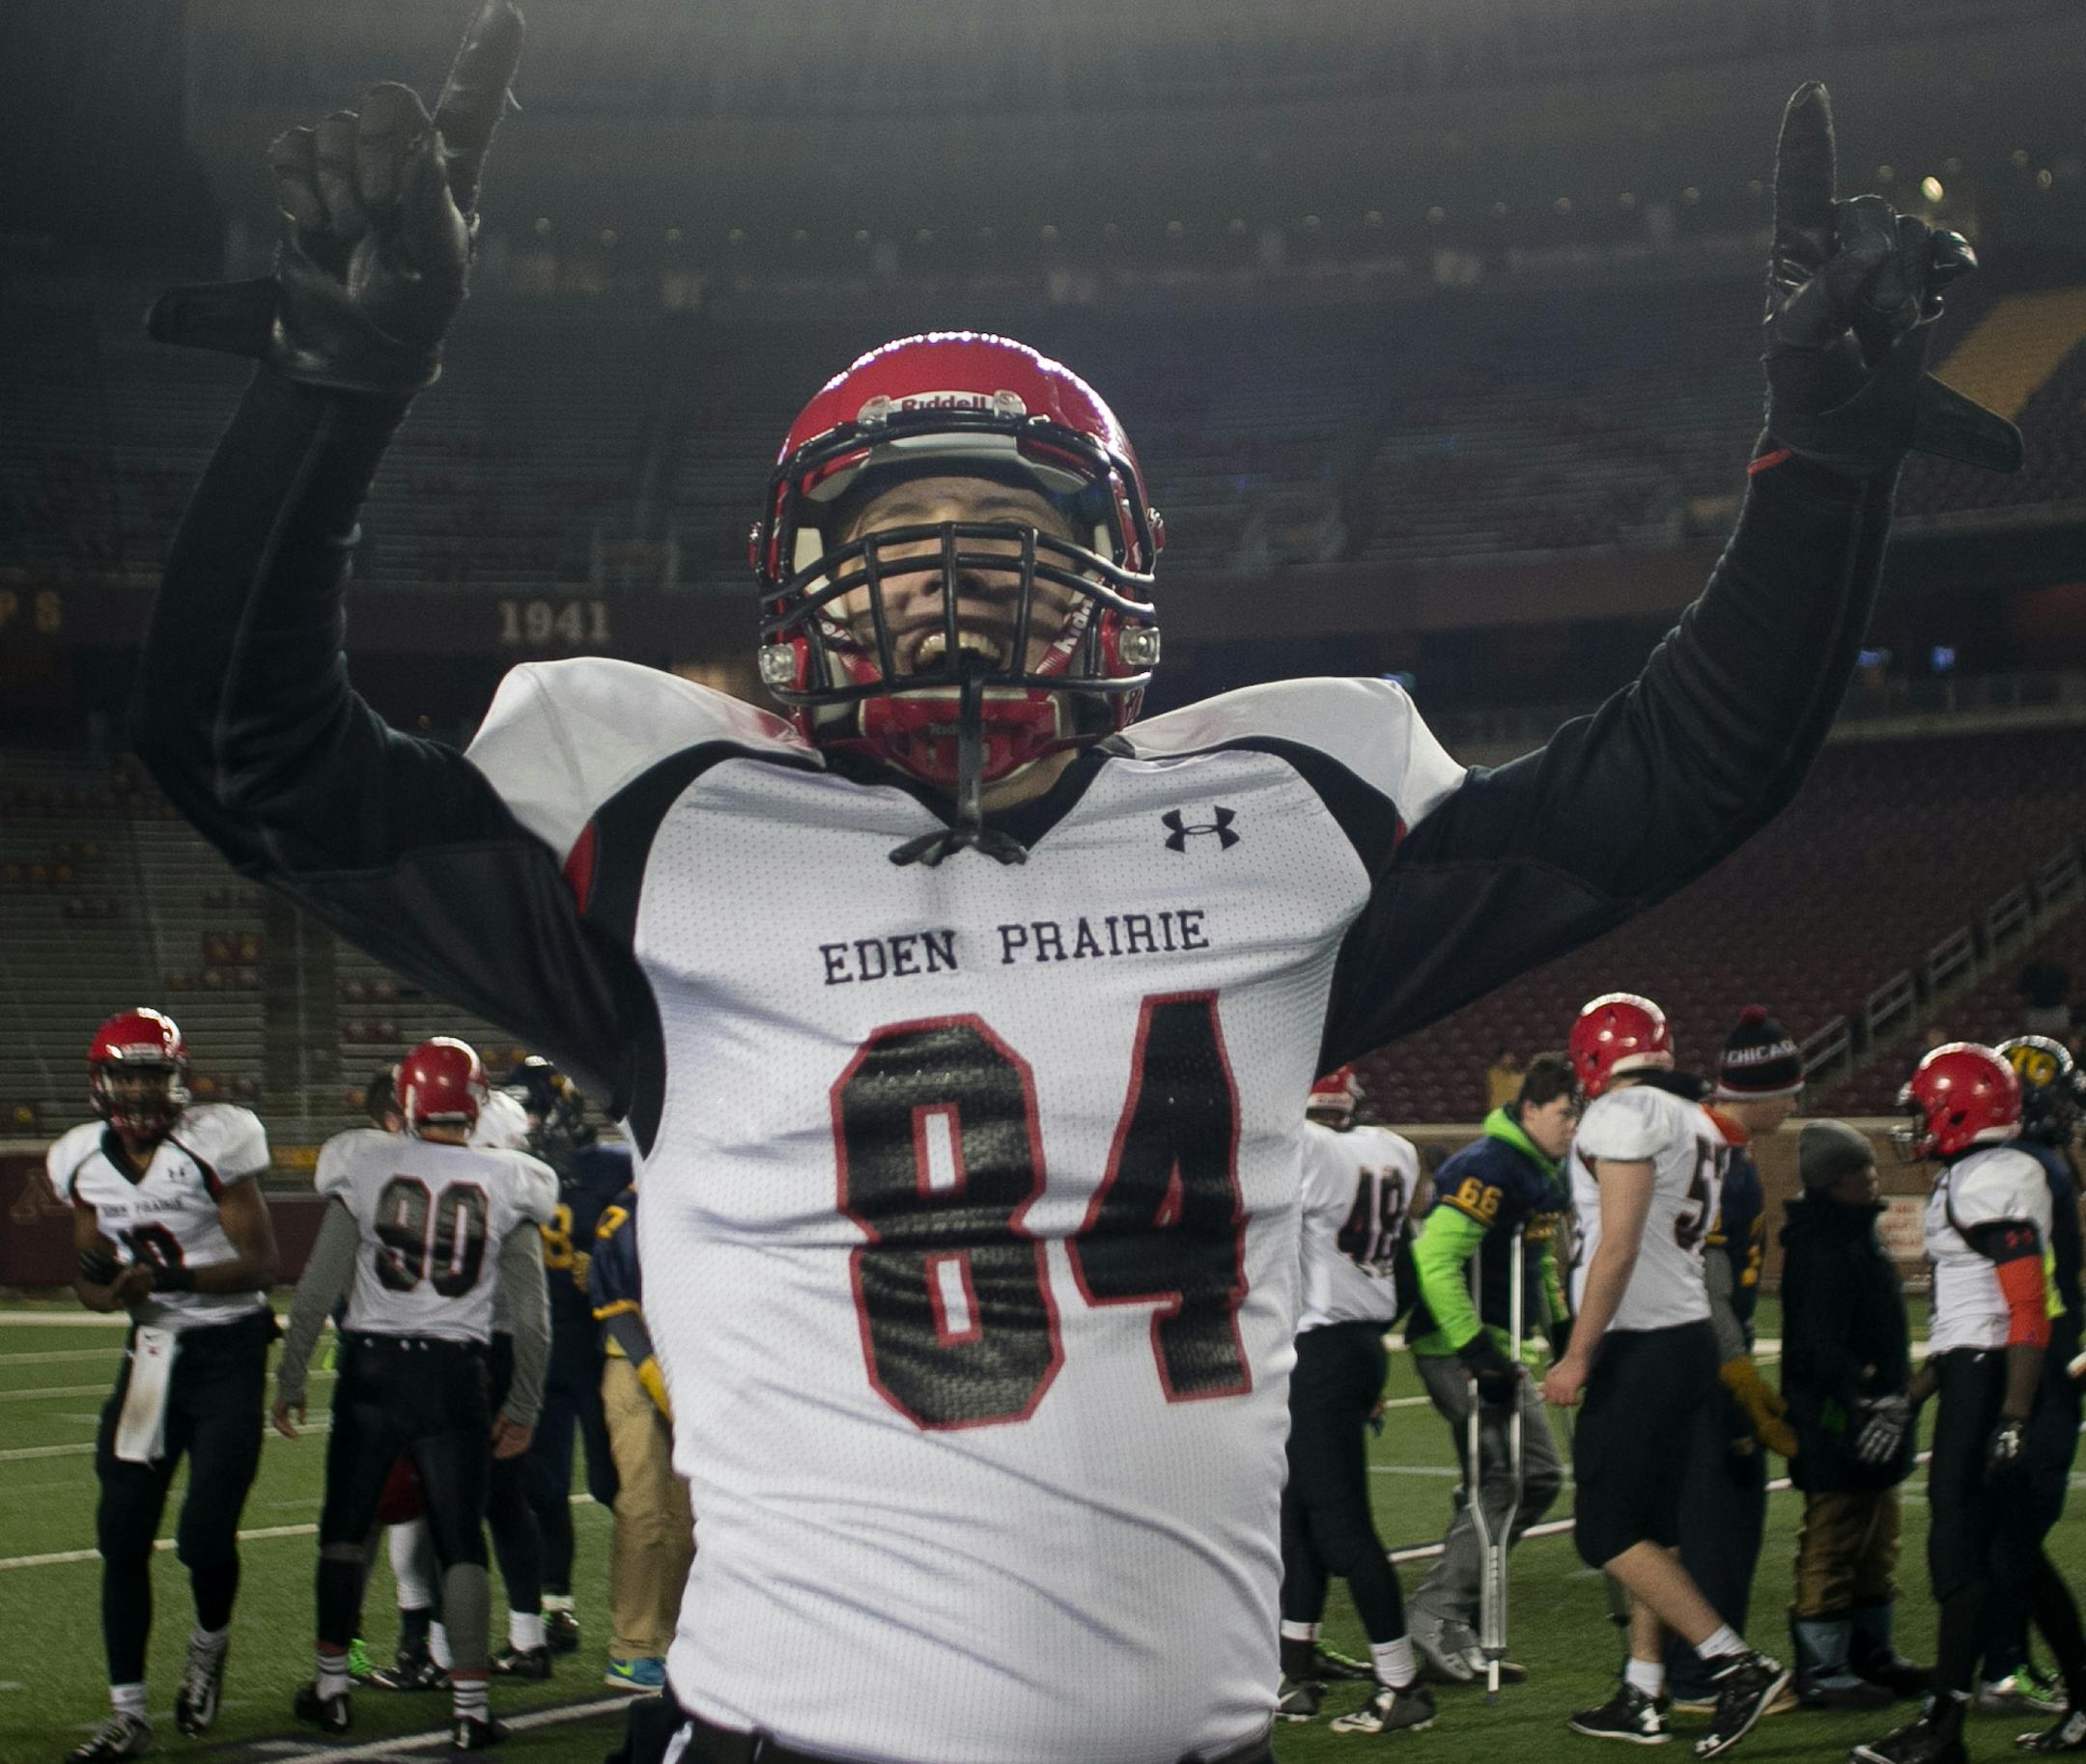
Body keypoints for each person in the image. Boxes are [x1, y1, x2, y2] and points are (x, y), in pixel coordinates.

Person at [132, 7, 2020, 1750]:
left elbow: (1674, 779)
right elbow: (246, 754)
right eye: (897, 535)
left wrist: (1823, 464)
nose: (951, 573)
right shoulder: (682, 855)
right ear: (799, 587)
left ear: (1114, 576)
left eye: (1008, 533)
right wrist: (333, 382)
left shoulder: (1278, 836)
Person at [272, 1037, 555, 1751]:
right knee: (462, 1542)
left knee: (344, 1532)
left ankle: (332, 1689)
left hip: (372, 1371)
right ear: (475, 1103)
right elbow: (531, 1319)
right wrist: (522, 1405)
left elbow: (313, 1290)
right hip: (454, 1375)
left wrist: (291, 1375)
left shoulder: (364, 1164)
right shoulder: (510, 1178)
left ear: (406, 1100)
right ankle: (469, 1709)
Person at [1543, 994, 1790, 1756]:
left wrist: (1578, 1353)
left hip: (1641, 1341)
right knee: (1653, 1525)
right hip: (1685, 1336)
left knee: (1606, 1532)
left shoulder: (1623, 1115)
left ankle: (1734, 1661)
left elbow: (1615, 1245)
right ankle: (1643, 1689)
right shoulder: (1696, 1116)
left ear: (1591, 1056)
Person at [47, 1008, 281, 1764]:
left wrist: (166, 1276)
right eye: (130, 1074)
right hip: (150, 1351)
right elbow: (88, 1278)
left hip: (229, 1348)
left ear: (177, 1079)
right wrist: (109, 1291)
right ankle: (128, 1712)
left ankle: (208, 1644)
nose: (142, 1090)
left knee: (205, 1534)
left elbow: (260, 1263)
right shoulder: (82, 1159)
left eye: (154, 1074)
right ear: (103, 1082)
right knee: (121, 1529)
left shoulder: (215, 1141)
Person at [1852, 1045, 2086, 1764]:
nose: (1916, 1122)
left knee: (1961, 1551)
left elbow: (2022, 1311)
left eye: (1925, 1107)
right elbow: (1972, 1320)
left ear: (1958, 1108)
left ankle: (1944, 1725)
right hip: (1988, 1372)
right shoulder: (1981, 1174)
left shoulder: (1991, 1181)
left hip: (2003, 1381)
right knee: (2010, 1553)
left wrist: (2012, 1417)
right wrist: (1913, 1394)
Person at [1404, 1050, 1576, 1685]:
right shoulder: (1488, 1165)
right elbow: (1434, 1258)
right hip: (1457, 1347)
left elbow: (1539, 1265)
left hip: (1496, 1343)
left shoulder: (1542, 1171)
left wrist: (1563, 1330)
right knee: (1505, 1477)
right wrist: (1474, 1346)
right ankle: (1439, 1614)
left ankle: (1452, 1607)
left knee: (1537, 1476)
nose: (1572, 1125)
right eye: (1563, 1113)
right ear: (1529, 1108)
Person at [1277, 1069, 1431, 1733]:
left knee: (1338, 1524)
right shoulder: (1393, 1148)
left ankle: (1401, 1684)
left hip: (1318, 1347)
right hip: (1358, 1343)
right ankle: (1296, 1671)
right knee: (1299, 1517)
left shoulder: (1304, 1147)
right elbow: (1407, 1269)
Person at [1663, 1007, 1804, 1711]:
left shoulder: (1706, 1140)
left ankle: (1695, 1664)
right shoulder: (1721, 1155)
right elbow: (1709, 1284)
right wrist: (1741, 1373)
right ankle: (1701, 1674)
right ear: (1764, 1092)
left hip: (1684, 1348)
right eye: (1790, 1090)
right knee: (1716, 1516)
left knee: (1710, 1514)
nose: (1796, 1103)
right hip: (1699, 1356)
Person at [1779, 1120, 1926, 1710]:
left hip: (1872, 1410)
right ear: (1830, 1181)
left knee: (1877, 1534)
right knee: (1834, 1535)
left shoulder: (1853, 1234)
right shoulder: (1821, 1243)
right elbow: (1818, 1345)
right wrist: (1859, 1396)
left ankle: (1871, 1655)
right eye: (1856, 1169)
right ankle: (1822, 1666)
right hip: (1837, 1418)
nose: (1870, 1176)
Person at [1973, 1037, 2086, 1715]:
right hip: (2036, 1359)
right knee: (2015, 1528)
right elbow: (2034, 1290)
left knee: (2011, 1525)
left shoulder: (2022, 1164)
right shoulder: (2032, 1167)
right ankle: (2002, 1668)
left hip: (2025, 1353)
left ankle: (2004, 1664)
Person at [503, 1056, 629, 1661]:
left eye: (528, 1107)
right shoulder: (503, 1170)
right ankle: (557, 1609)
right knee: (540, 1489)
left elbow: (642, 1244)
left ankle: (654, 1613)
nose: (521, 1121)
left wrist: (600, 1267)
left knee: (619, 1486)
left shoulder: (609, 1168)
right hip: (538, 1351)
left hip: (600, 1346)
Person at [590, 1182, 697, 1694]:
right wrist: (653, 1372)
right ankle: (633, 1648)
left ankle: (673, 1638)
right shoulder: (631, 1211)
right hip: (634, 1368)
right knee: (644, 1507)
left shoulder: (698, 1198)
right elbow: (612, 1298)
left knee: (686, 1515)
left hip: (696, 1369)